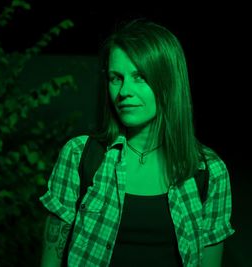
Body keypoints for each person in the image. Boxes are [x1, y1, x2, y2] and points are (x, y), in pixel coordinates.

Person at [39, 18, 235, 267]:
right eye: (115, 78)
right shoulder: (79, 155)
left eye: (139, 76)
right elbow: (51, 255)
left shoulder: (209, 171)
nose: (123, 92)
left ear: (169, 82)